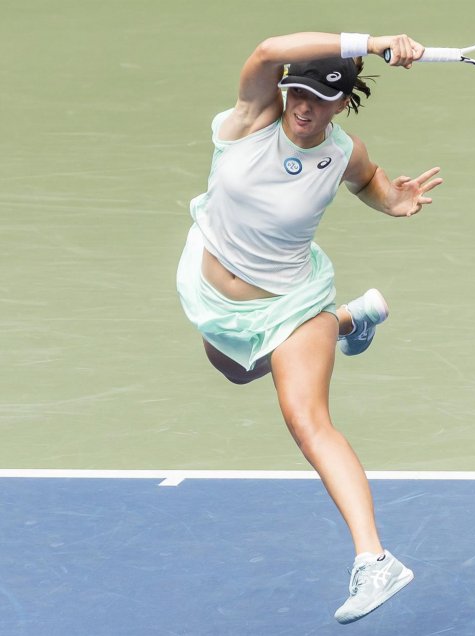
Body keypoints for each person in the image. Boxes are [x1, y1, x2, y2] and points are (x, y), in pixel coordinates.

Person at [176, 31, 442, 624]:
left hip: (292, 304)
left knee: (307, 422)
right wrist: (373, 42)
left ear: (341, 103)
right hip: (217, 301)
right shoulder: (251, 120)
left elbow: (368, 180)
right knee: (233, 370)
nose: (303, 107)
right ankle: (349, 318)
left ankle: (375, 561)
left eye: (320, 100)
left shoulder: (343, 153)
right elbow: (269, 49)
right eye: (297, 92)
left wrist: (393, 200)